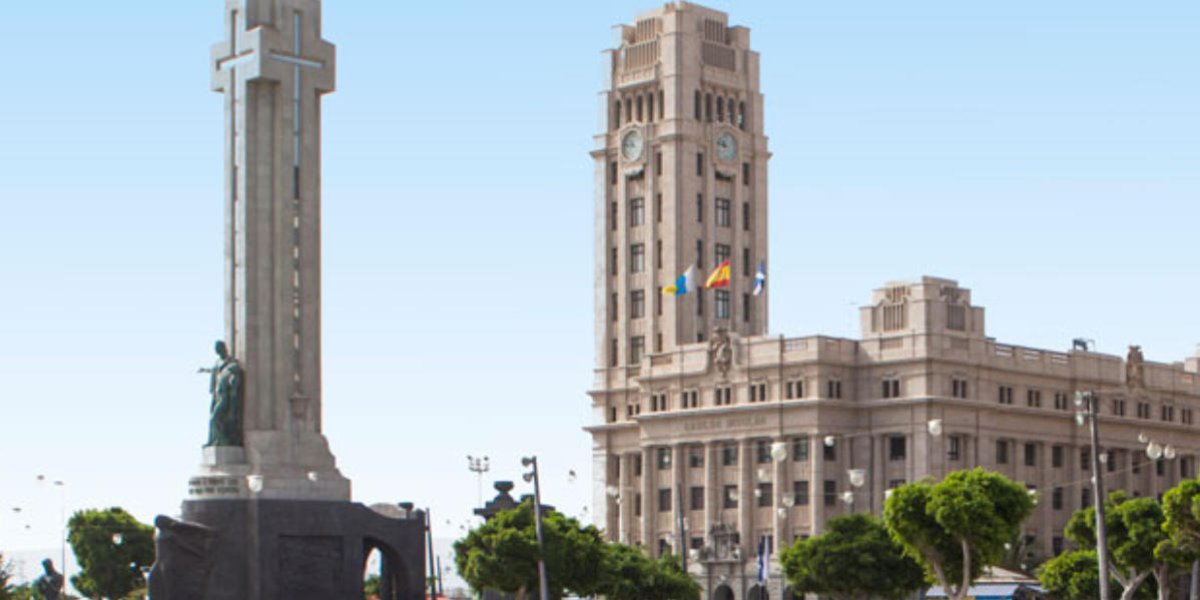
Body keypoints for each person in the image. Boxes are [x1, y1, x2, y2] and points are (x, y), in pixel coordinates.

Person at [199, 340, 243, 446]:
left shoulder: (231, 362)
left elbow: (233, 375)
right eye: (216, 350)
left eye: (219, 349)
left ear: (224, 349)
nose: (218, 352)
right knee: (212, 417)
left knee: (214, 418)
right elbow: (215, 371)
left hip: (224, 395)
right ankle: (213, 440)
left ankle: (221, 440)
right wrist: (205, 370)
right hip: (216, 394)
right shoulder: (217, 362)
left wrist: (232, 383)